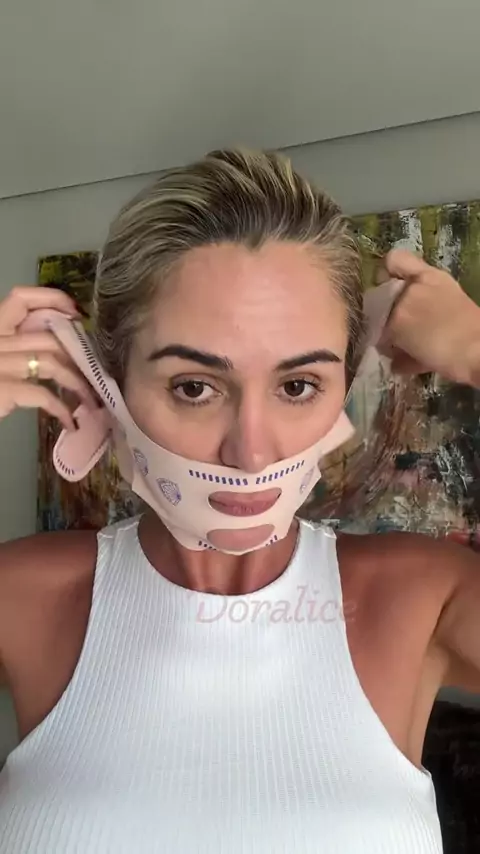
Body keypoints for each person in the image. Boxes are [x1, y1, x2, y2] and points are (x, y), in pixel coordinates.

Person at [0, 148, 479, 854]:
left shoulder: (424, 600)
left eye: (297, 386)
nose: (250, 453)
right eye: (194, 387)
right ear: (109, 382)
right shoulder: (25, 597)